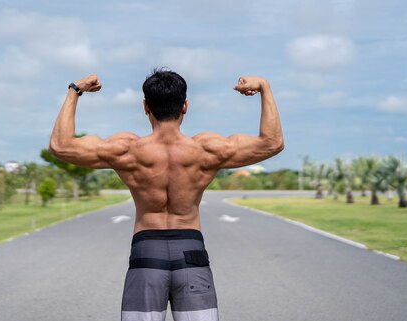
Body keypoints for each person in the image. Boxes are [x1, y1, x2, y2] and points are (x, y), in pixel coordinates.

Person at [49, 69, 284, 321]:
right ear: (185, 106)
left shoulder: (126, 149)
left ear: (145, 106)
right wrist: (265, 87)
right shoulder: (208, 149)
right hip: (191, 252)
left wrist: (75, 90)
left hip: (146, 254)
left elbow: (60, 146)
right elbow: (272, 143)